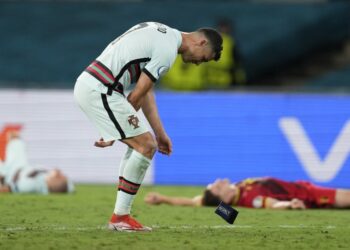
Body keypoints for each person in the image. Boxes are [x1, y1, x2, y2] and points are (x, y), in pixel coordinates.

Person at [73, 22, 223, 232]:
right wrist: (115, 132)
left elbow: (146, 93)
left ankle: (120, 216)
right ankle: (120, 217)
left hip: (94, 85)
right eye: (204, 58)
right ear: (202, 42)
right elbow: (136, 95)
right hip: (101, 90)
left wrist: (160, 134)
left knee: (143, 145)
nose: (199, 63)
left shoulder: (159, 31)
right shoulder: (168, 50)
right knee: (145, 146)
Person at [145, 177, 350, 210]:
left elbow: (192, 201)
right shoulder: (249, 198)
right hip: (310, 194)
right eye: (216, 187)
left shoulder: (234, 191)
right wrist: (289, 206)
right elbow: (270, 204)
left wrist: (163, 198)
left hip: (301, 186)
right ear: (223, 198)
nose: (219, 181)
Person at [0, 132, 74, 194]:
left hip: (9, 174)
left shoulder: (32, 185)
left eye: (59, 175)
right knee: (16, 139)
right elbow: (69, 186)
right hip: (21, 165)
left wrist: (3, 179)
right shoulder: (67, 186)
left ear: (51, 181)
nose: (59, 172)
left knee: (15, 139)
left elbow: (10, 188)